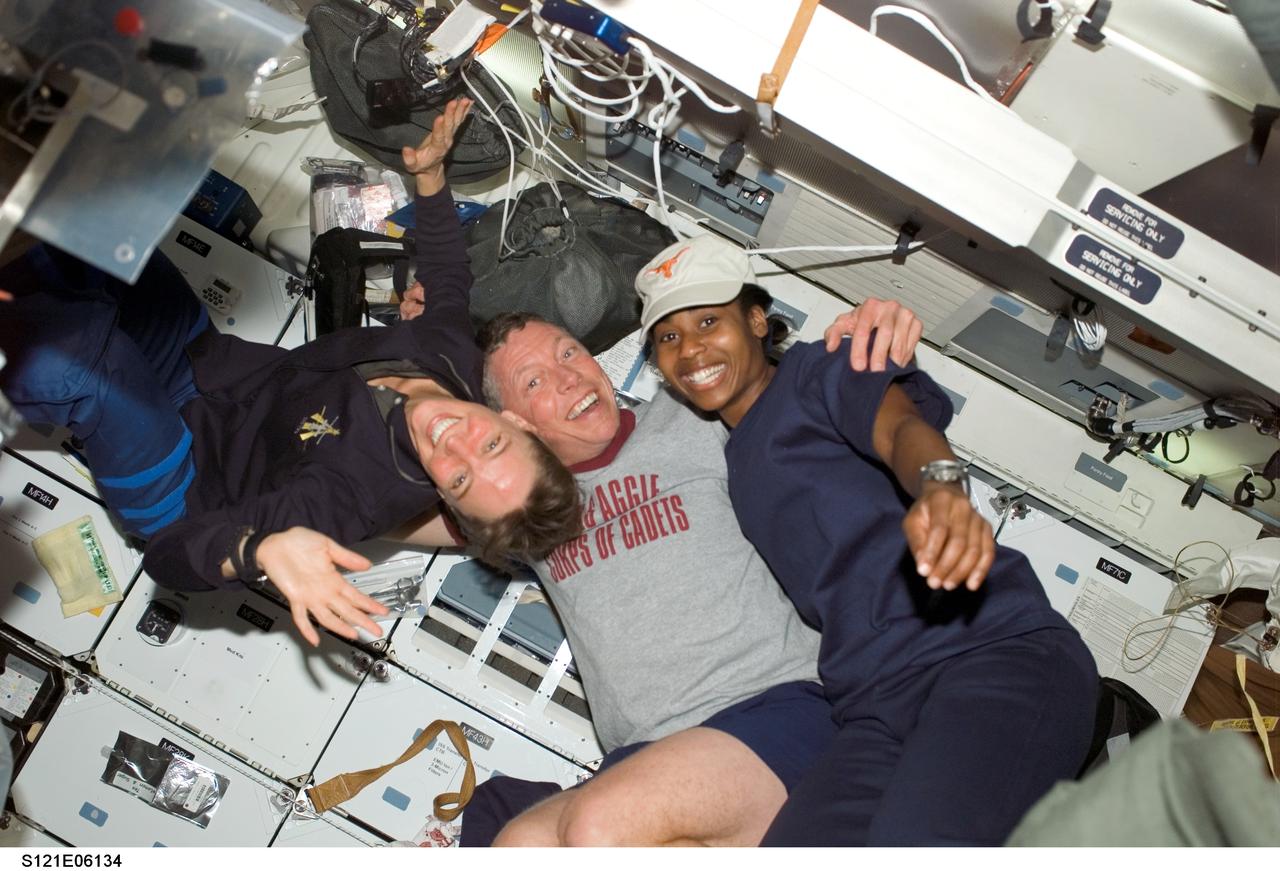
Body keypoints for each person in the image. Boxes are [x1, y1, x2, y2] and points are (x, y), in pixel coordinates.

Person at [0, 99, 582, 647]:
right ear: (514, 421)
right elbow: (450, 284)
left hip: (184, 481)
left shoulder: (349, 499)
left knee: (68, 363)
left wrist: (258, 550)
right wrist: (430, 177)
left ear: (448, 505)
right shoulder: (457, 364)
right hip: (207, 371)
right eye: (492, 443)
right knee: (98, 223)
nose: (454, 445)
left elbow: (169, 556)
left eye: (458, 482)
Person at [637, 233, 1099, 845]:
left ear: (756, 320)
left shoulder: (818, 370)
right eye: (668, 336)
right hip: (872, 704)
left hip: (987, 654)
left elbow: (902, 429)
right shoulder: (735, 460)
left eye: (708, 321)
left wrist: (941, 491)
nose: (690, 348)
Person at [442, 294, 922, 846]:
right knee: (517, 846)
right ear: (514, 423)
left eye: (570, 353)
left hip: (771, 704)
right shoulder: (522, 503)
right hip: (642, 754)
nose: (569, 378)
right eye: (534, 382)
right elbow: (402, 495)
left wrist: (864, 334)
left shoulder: (693, 416)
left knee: (602, 827)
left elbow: (802, 387)